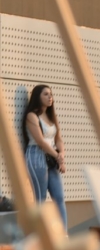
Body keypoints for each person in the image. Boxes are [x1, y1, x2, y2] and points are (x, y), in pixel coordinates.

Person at [22, 84, 67, 226]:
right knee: (40, 199)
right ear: (37, 97)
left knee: (59, 197)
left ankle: (63, 237)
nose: (50, 97)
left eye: (51, 94)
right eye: (45, 94)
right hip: (36, 156)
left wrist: (61, 155)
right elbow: (41, 141)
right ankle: (38, 238)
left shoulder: (50, 116)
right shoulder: (32, 116)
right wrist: (57, 156)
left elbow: (58, 138)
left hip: (52, 158)